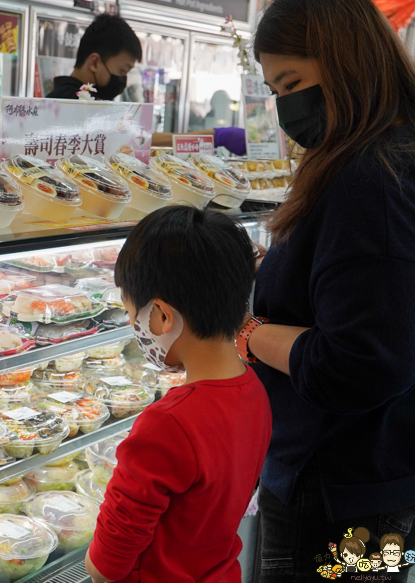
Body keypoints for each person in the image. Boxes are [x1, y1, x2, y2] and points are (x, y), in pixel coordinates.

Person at [240, 0, 415, 582]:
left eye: (292, 84)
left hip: (340, 489)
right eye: (274, 91)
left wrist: (244, 330)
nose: (285, 108)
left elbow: (360, 362)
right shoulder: (389, 149)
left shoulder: (370, 176)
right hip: (381, 469)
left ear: (346, 61)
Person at [85, 206, 271, 583]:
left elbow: (105, 567)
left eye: (132, 313)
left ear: (162, 317)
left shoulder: (167, 424)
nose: (132, 325)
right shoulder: (255, 390)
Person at [46, 13, 141, 101]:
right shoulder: (72, 104)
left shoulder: (59, 99)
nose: (123, 80)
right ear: (94, 62)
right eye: (122, 71)